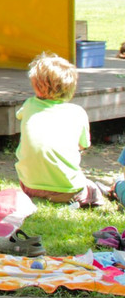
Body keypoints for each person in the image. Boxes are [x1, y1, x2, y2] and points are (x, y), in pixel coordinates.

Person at [14, 52, 105, 207]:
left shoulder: (29, 105)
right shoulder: (77, 112)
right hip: (67, 190)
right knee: (89, 186)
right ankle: (91, 198)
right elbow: (83, 145)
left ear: (36, 86)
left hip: (29, 187)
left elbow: (19, 116)